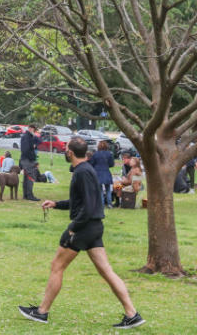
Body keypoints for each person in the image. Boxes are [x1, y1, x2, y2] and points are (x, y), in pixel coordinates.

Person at [19, 137, 143, 329]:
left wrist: (72, 229)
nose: (65, 152)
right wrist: (56, 204)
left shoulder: (82, 173)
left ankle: (42, 312)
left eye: (66, 149)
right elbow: (81, 202)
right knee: (106, 271)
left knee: (57, 266)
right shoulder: (85, 170)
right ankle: (132, 314)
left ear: (70, 153)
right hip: (93, 226)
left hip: (84, 228)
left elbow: (88, 206)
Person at [90, 140, 115, 208]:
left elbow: (91, 163)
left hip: (97, 173)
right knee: (108, 189)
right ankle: (110, 204)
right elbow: (112, 164)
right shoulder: (109, 154)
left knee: (100, 190)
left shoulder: (95, 154)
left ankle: (102, 204)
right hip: (106, 172)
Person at [19, 124, 41, 201]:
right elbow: (25, 150)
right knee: (30, 177)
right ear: (30, 128)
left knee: (26, 177)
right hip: (27, 160)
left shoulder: (31, 137)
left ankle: (26, 195)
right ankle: (29, 195)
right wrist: (32, 159)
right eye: (34, 130)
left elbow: (39, 141)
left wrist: (35, 136)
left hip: (27, 159)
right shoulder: (26, 137)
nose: (34, 132)